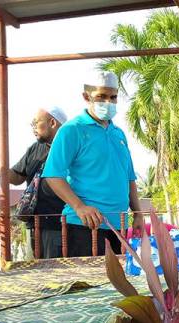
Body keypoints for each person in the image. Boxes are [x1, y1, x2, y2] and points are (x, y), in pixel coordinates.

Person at [43, 72, 143, 258]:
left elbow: (129, 177)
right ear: (86, 97)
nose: (108, 102)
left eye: (113, 97)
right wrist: (79, 207)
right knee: (88, 286)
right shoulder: (72, 130)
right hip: (85, 226)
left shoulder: (118, 133)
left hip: (119, 225)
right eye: (101, 96)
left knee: (119, 284)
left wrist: (137, 212)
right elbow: (53, 175)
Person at [0, 107, 67, 258]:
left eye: (35, 123)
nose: (33, 128)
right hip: (35, 224)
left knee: (54, 275)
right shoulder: (35, 148)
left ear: (52, 122)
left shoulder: (70, 146)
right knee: (35, 275)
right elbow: (15, 178)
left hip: (59, 225)